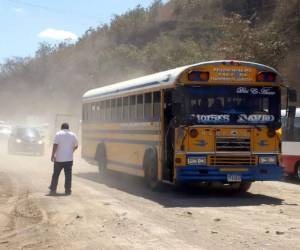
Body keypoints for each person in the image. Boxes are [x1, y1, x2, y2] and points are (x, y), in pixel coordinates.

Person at [49, 123, 78, 195]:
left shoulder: (58, 134)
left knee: (56, 174)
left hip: (59, 159)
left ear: (61, 128)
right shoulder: (73, 135)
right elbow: (76, 145)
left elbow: (55, 145)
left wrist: (52, 155)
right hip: (69, 159)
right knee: (68, 175)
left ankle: (53, 189)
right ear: (68, 128)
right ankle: (68, 190)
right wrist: (72, 151)